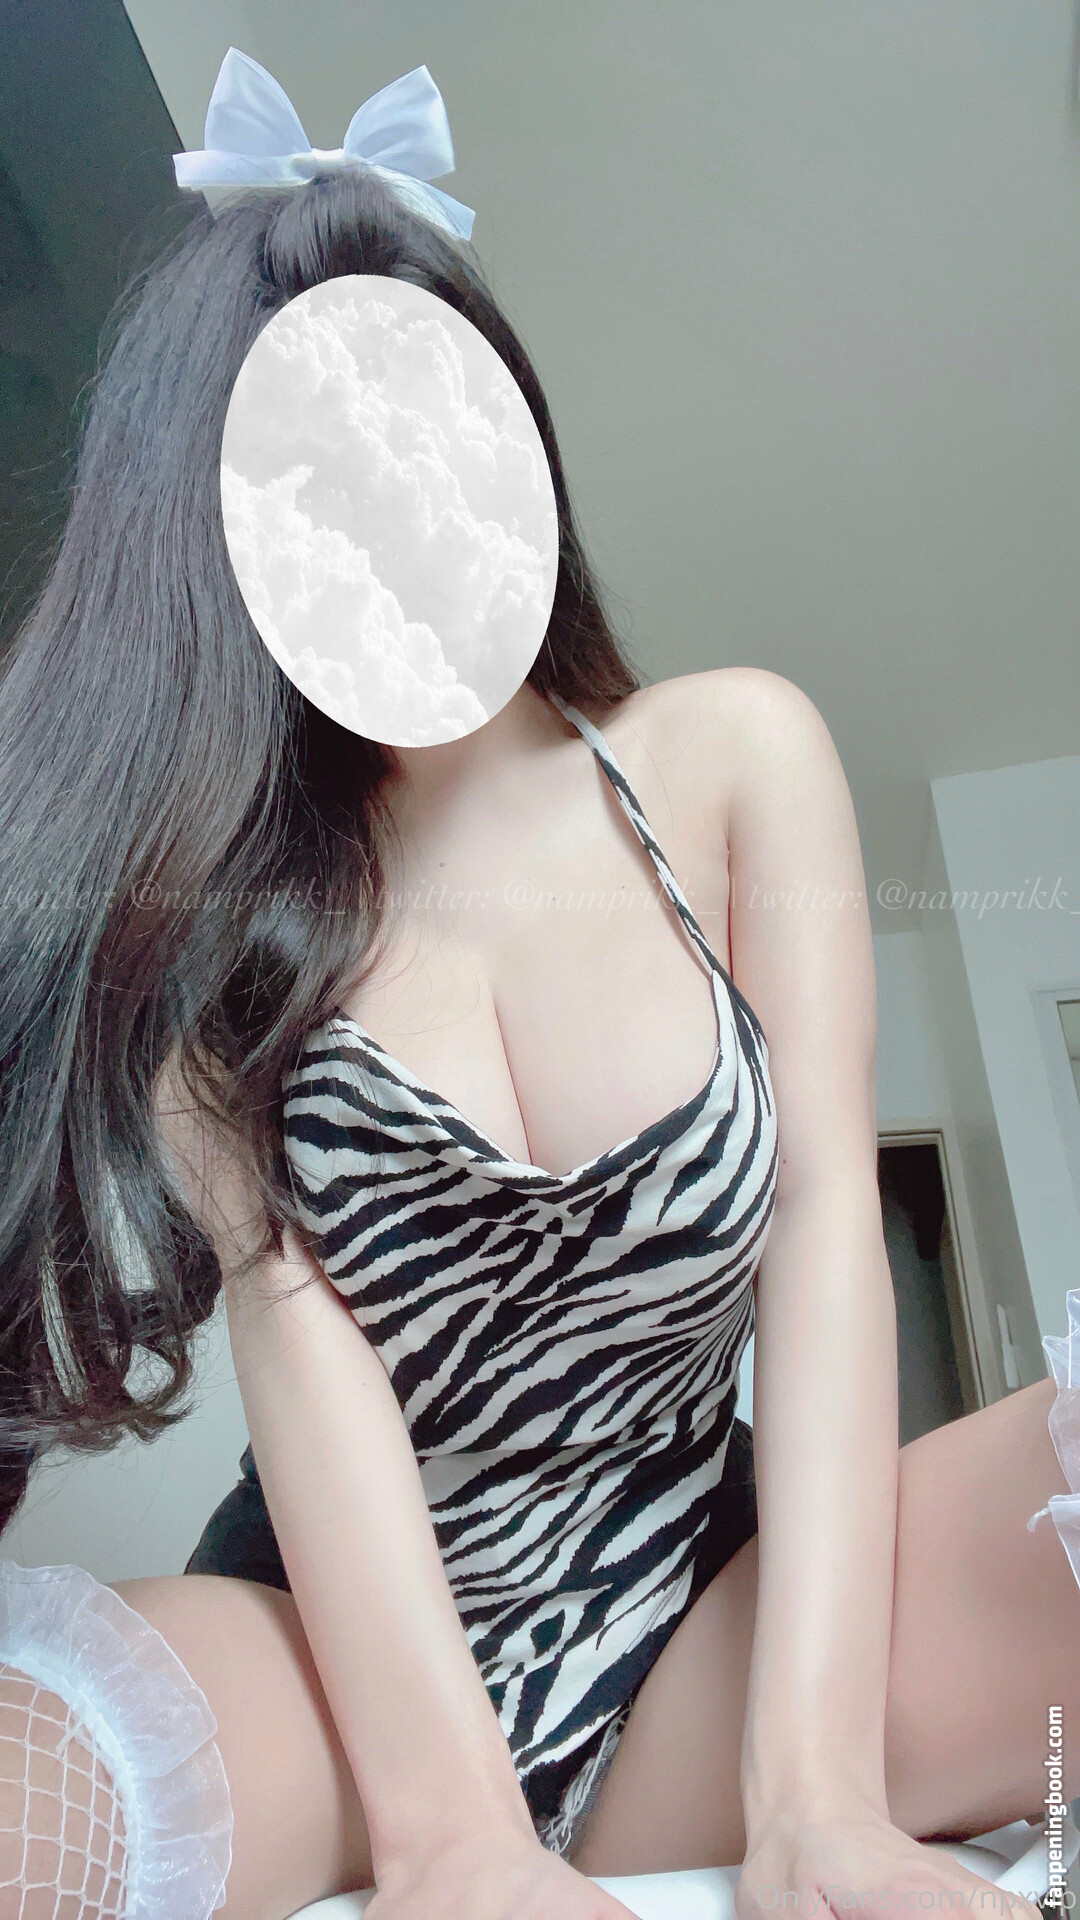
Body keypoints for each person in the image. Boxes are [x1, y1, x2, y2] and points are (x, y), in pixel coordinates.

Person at [0, 144, 1076, 1920]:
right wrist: (457, 1848)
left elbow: (822, 1224)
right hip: (333, 1666)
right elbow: (291, 1332)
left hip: (695, 1602)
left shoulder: (736, 757)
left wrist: (812, 1795)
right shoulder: (204, 923)